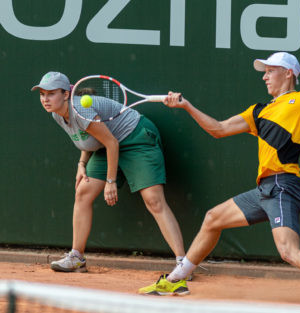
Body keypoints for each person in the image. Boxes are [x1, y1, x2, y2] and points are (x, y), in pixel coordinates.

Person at [138, 52, 300, 307]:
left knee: (288, 250)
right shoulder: (259, 111)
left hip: (284, 185)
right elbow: (219, 129)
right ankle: (177, 278)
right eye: (264, 72)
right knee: (213, 218)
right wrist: (186, 106)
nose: (265, 77)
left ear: (288, 73)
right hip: (265, 189)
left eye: (270, 71)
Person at [32, 72, 186, 273]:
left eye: (51, 93)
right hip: (108, 145)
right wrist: (81, 163)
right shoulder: (57, 114)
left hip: (135, 138)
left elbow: (111, 142)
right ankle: (77, 257)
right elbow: (88, 138)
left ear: (66, 94)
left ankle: (183, 263)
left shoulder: (80, 109)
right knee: (83, 192)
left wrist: (110, 181)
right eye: (42, 94)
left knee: (154, 200)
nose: (45, 99)